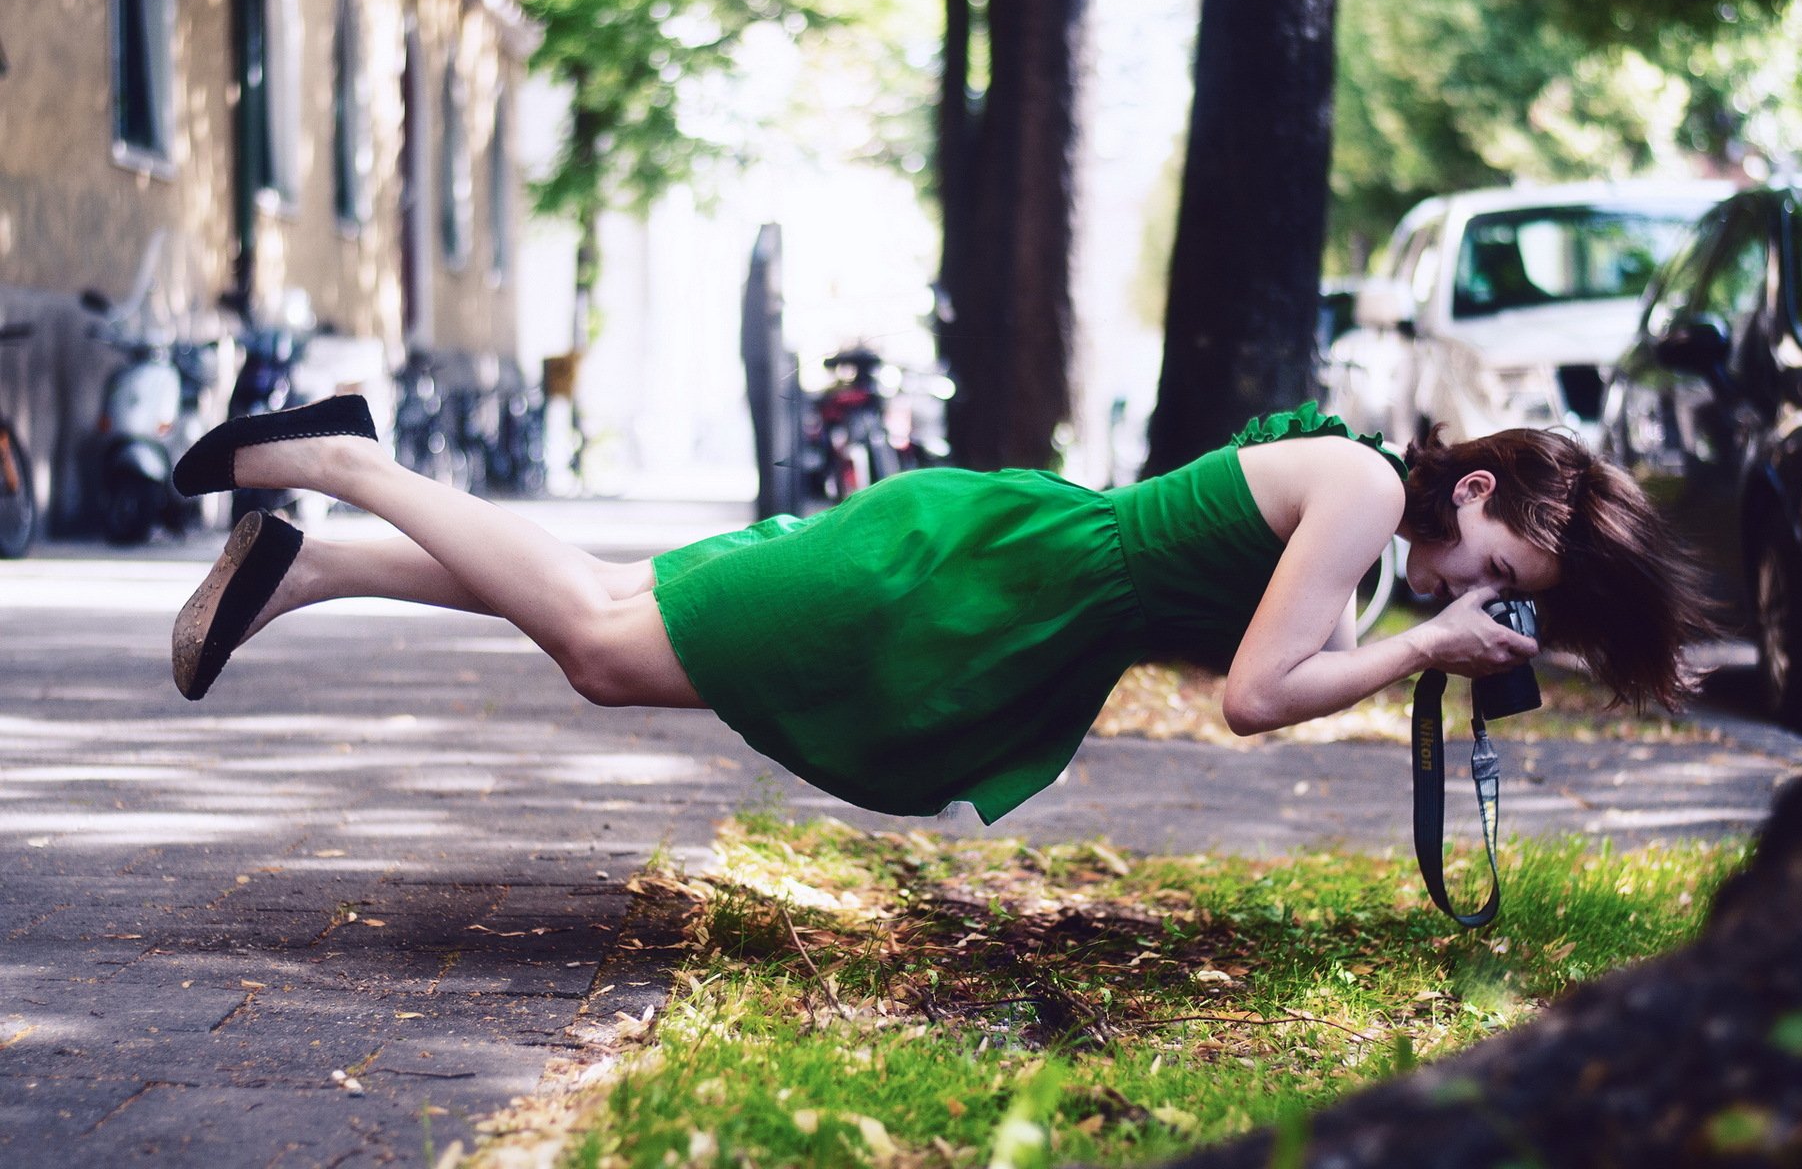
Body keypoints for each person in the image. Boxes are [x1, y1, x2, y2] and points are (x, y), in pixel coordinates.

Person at [170, 395, 1714, 824]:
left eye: (1507, 606)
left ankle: (303, 565)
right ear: (1479, 495)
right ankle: (345, 462)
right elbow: (1255, 697)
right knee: (596, 639)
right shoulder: (1376, 498)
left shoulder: (1376, 505)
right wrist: (1423, 648)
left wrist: (1416, 635)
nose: (1483, 601)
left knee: (627, 611)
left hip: (992, 585)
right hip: (972, 585)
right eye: (1504, 573)